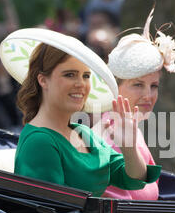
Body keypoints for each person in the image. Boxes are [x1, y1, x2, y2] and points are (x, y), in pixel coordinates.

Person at [13, 37, 161, 198]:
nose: (81, 84)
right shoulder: (40, 141)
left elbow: (134, 180)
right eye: (70, 75)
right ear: (43, 80)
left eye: (86, 76)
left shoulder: (82, 132)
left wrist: (129, 147)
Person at [94, 5, 175, 200]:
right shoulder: (108, 131)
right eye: (138, 85)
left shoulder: (130, 127)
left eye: (154, 86)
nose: (148, 95)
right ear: (114, 87)